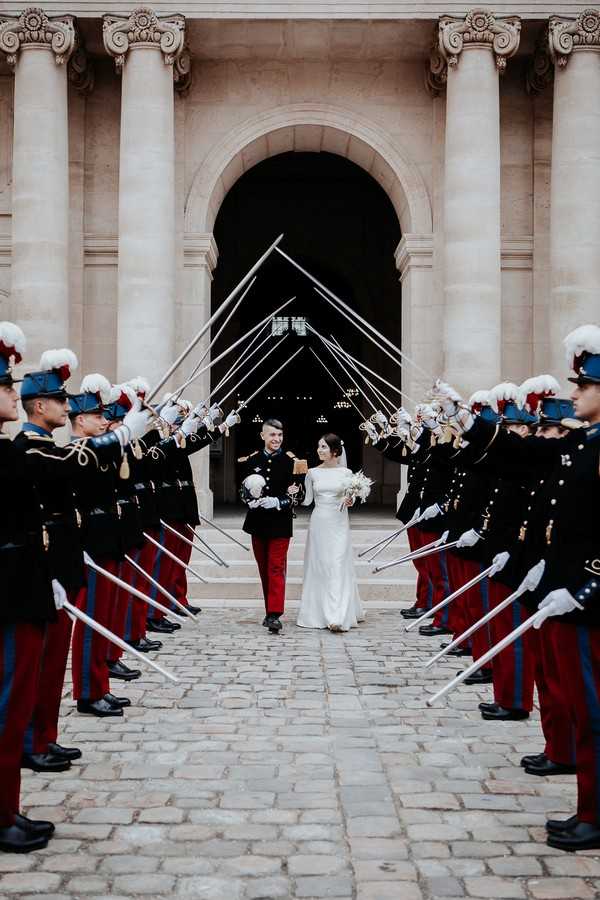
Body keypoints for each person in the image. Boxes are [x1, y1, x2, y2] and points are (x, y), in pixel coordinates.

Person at [0, 322, 59, 852]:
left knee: (15, 699)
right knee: (7, 702)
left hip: (24, 586)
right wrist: (119, 435)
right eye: (6, 388)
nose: (14, 395)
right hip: (11, 592)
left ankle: (7, 809)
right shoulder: (15, 451)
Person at [238, 418, 304, 634]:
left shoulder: (292, 461)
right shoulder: (251, 460)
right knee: (264, 568)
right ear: (263, 436)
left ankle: (274, 614)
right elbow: (241, 489)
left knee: (276, 567)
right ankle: (270, 610)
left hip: (280, 523)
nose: (277, 439)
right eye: (272, 435)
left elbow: (299, 495)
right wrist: (249, 500)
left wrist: (279, 501)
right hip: (257, 522)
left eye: (280, 435)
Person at [296, 433, 364, 632]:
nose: (319, 450)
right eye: (319, 446)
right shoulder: (312, 473)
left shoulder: (347, 473)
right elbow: (307, 500)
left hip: (339, 522)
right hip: (319, 523)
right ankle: (317, 612)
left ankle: (337, 615)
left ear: (335, 451)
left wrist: (352, 499)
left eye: (324, 447)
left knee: (337, 563)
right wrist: (294, 489)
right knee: (321, 564)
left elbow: (351, 496)